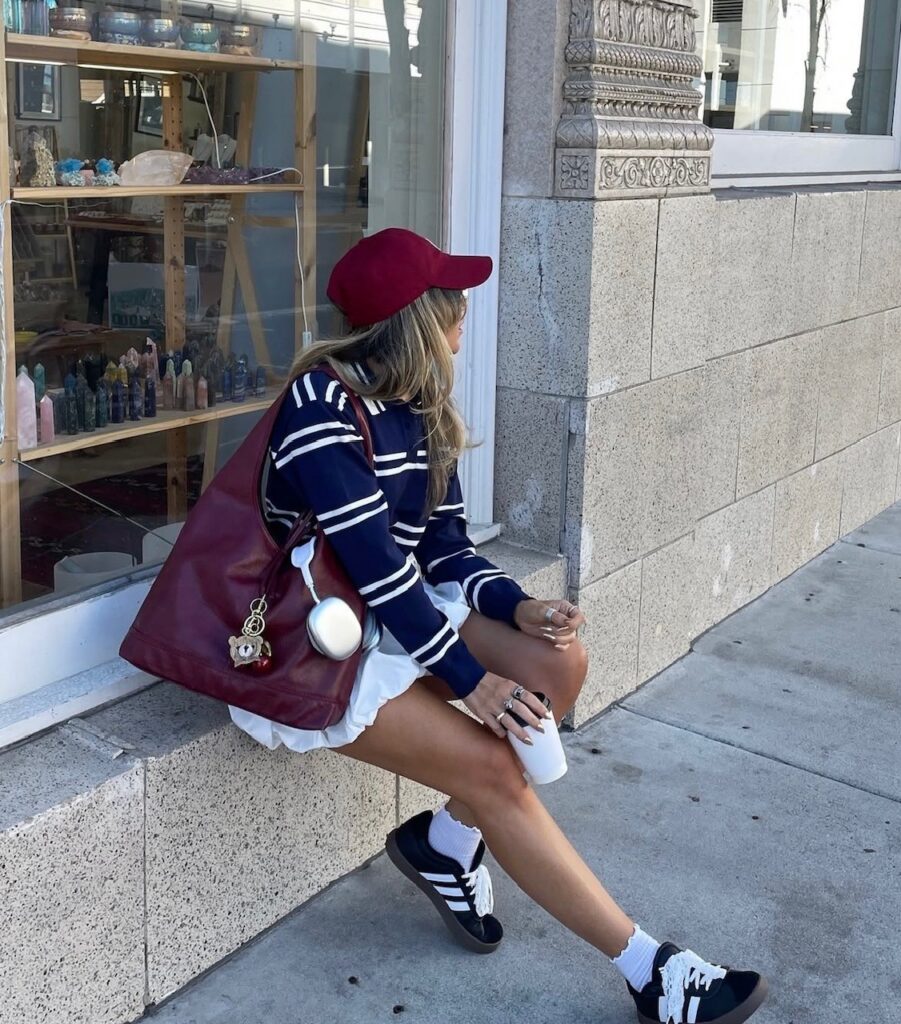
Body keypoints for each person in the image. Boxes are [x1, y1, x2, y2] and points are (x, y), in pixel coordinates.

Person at [227, 228, 769, 1024]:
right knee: (495, 771)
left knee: (559, 661)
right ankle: (649, 971)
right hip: (312, 645)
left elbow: (441, 547)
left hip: (391, 618)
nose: (464, 313)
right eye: (452, 301)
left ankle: (445, 845)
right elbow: (375, 566)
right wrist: (469, 684)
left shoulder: (419, 406)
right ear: (417, 317)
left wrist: (518, 608)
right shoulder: (321, 406)